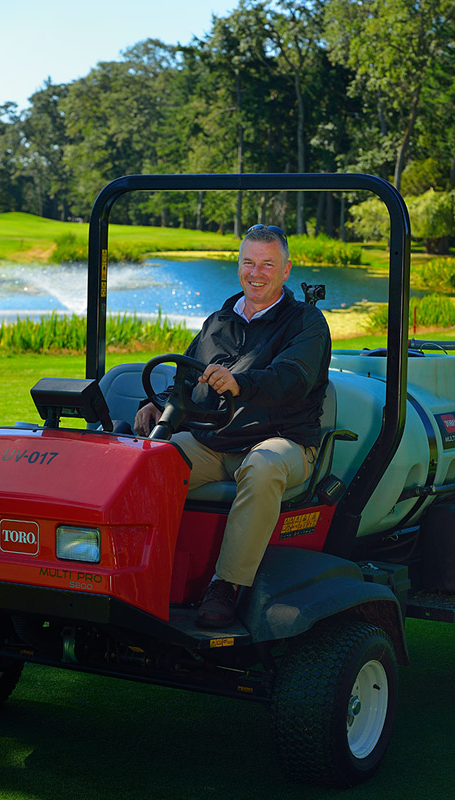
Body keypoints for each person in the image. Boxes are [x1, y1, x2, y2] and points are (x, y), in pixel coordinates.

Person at [135, 224, 331, 628]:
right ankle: (137, 570)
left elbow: (293, 378)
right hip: (214, 442)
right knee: (147, 461)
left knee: (262, 466)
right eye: (248, 262)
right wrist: (154, 407)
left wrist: (242, 383)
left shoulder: (306, 323)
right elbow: (184, 382)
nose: (256, 272)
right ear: (238, 265)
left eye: (267, 264)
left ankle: (226, 586)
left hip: (284, 442)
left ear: (286, 270)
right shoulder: (218, 321)